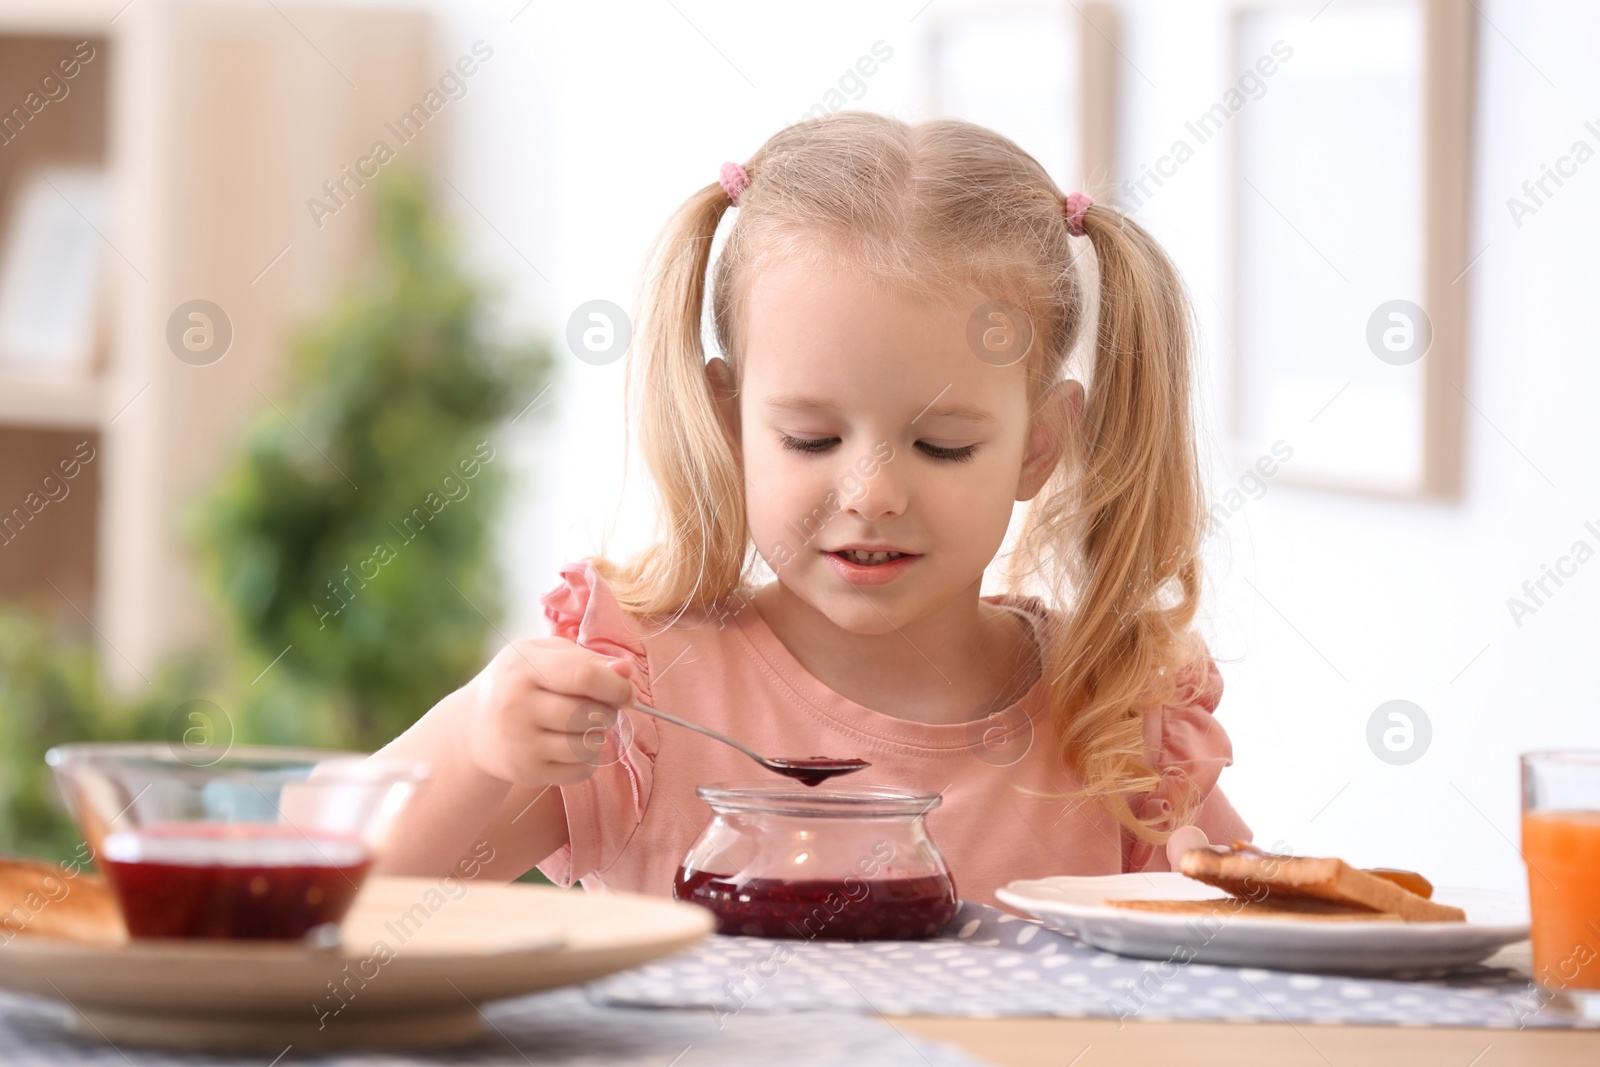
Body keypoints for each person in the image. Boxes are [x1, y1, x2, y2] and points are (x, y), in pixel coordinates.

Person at [373, 111, 1250, 904]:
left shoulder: (1117, 727)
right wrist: (476, 747)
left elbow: (1265, 965)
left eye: (943, 445)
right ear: (730, 422)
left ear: (1039, 444)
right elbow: (330, 889)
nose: (872, 494)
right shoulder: (641, 698)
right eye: (810, 439)